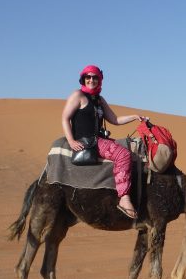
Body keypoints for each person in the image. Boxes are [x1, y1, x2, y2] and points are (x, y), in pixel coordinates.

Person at [62, 64, 145, 219]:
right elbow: (65, 118)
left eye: (95, 77)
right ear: (83, 79)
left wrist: (134, 117)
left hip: (99, 139)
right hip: (88, 142)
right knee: (123, 155)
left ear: (99, 80)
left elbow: (115, 119)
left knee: (132, 148)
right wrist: (71, 140)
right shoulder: (77, 95)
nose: (91, 80)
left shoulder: (99, 99)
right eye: (88, 77)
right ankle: (124, 198)